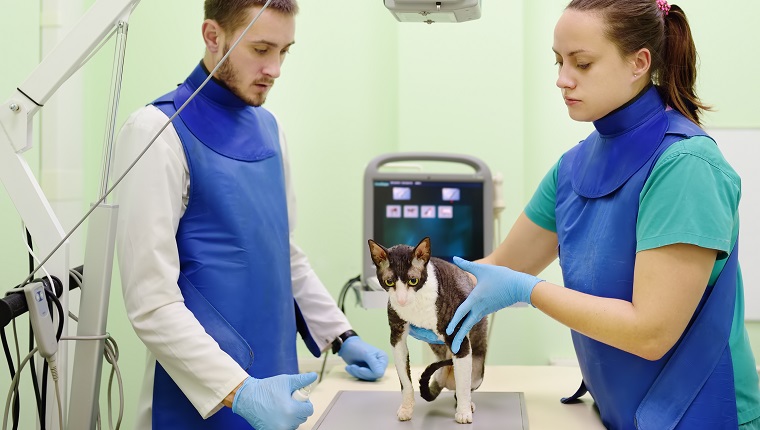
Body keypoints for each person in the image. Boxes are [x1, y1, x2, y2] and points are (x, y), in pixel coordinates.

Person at [412, 0, 760, 428]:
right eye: (559, 61)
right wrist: (430, 298)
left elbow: (650, 333)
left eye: (582, 63)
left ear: (639, 63)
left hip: (704, 417)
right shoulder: (572, 168)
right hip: (618, 412)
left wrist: (528, 291)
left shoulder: (686, 166)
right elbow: (499, 268)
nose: (561, 79)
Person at [113, 1, 388, 429]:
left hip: (278, 389)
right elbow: (151, 303)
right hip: (203, 399)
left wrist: (342, 335)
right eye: (261, 49)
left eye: (284, 51)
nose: (275, 68)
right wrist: (239, 392)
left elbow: (282, 252)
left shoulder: (270, 129)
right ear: (212, 35)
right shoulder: (157, 131)